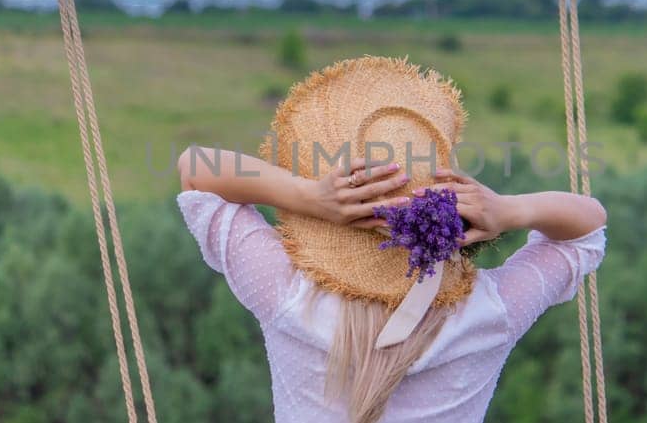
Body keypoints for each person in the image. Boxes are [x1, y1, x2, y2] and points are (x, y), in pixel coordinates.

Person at [177, 56, 606, 422]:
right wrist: (510, 211)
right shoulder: (487, 315)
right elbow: (586, 229)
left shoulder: (289, 296)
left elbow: (195, 168)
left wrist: (306, 195)